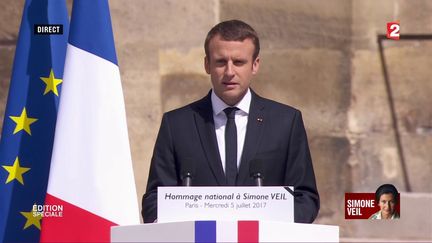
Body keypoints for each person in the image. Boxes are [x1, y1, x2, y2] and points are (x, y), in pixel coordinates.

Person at [142, 19, 319, 223]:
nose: (229, 72)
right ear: (207, 64)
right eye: (220, 62)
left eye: (238, 62)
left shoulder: (286, 122)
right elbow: (154, 201)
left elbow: (306, 198)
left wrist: (273, 229)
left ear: (255, 65)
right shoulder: (177, 124)